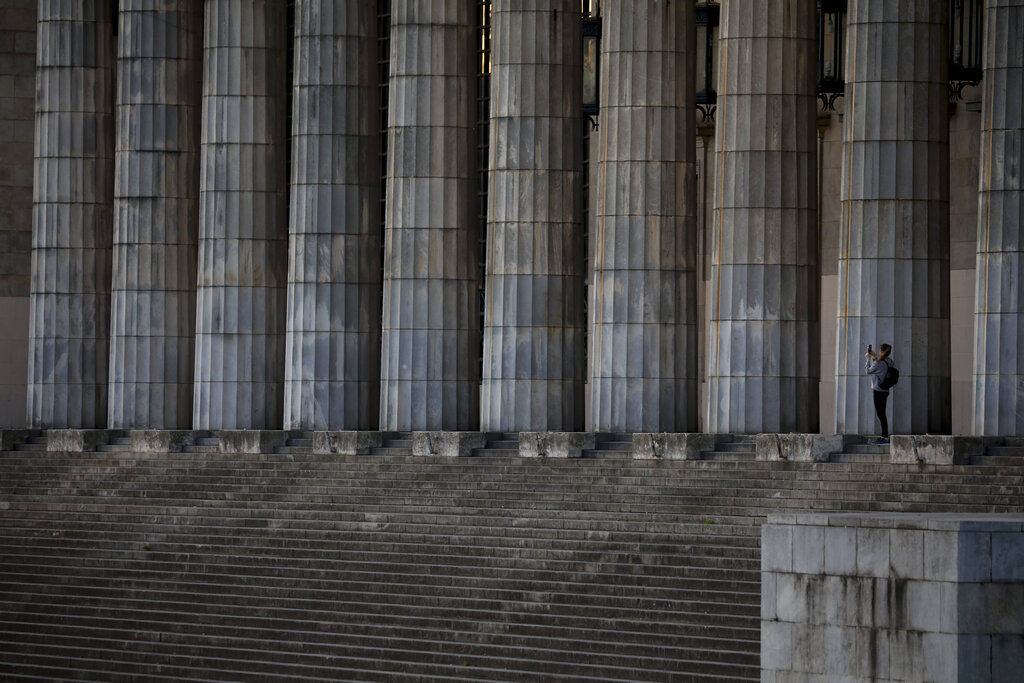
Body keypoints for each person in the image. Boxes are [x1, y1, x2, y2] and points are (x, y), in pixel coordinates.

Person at [865, 343, 893, 445]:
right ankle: (884, 436)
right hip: (885, 390)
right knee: (882, 413)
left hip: (878, 390)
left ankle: (885, 437)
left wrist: (868, 359)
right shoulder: (889, 361)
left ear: (881, 351)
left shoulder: (879, 363)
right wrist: (875, 356)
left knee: (881, 414)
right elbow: (881, 364)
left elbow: (868, 371)